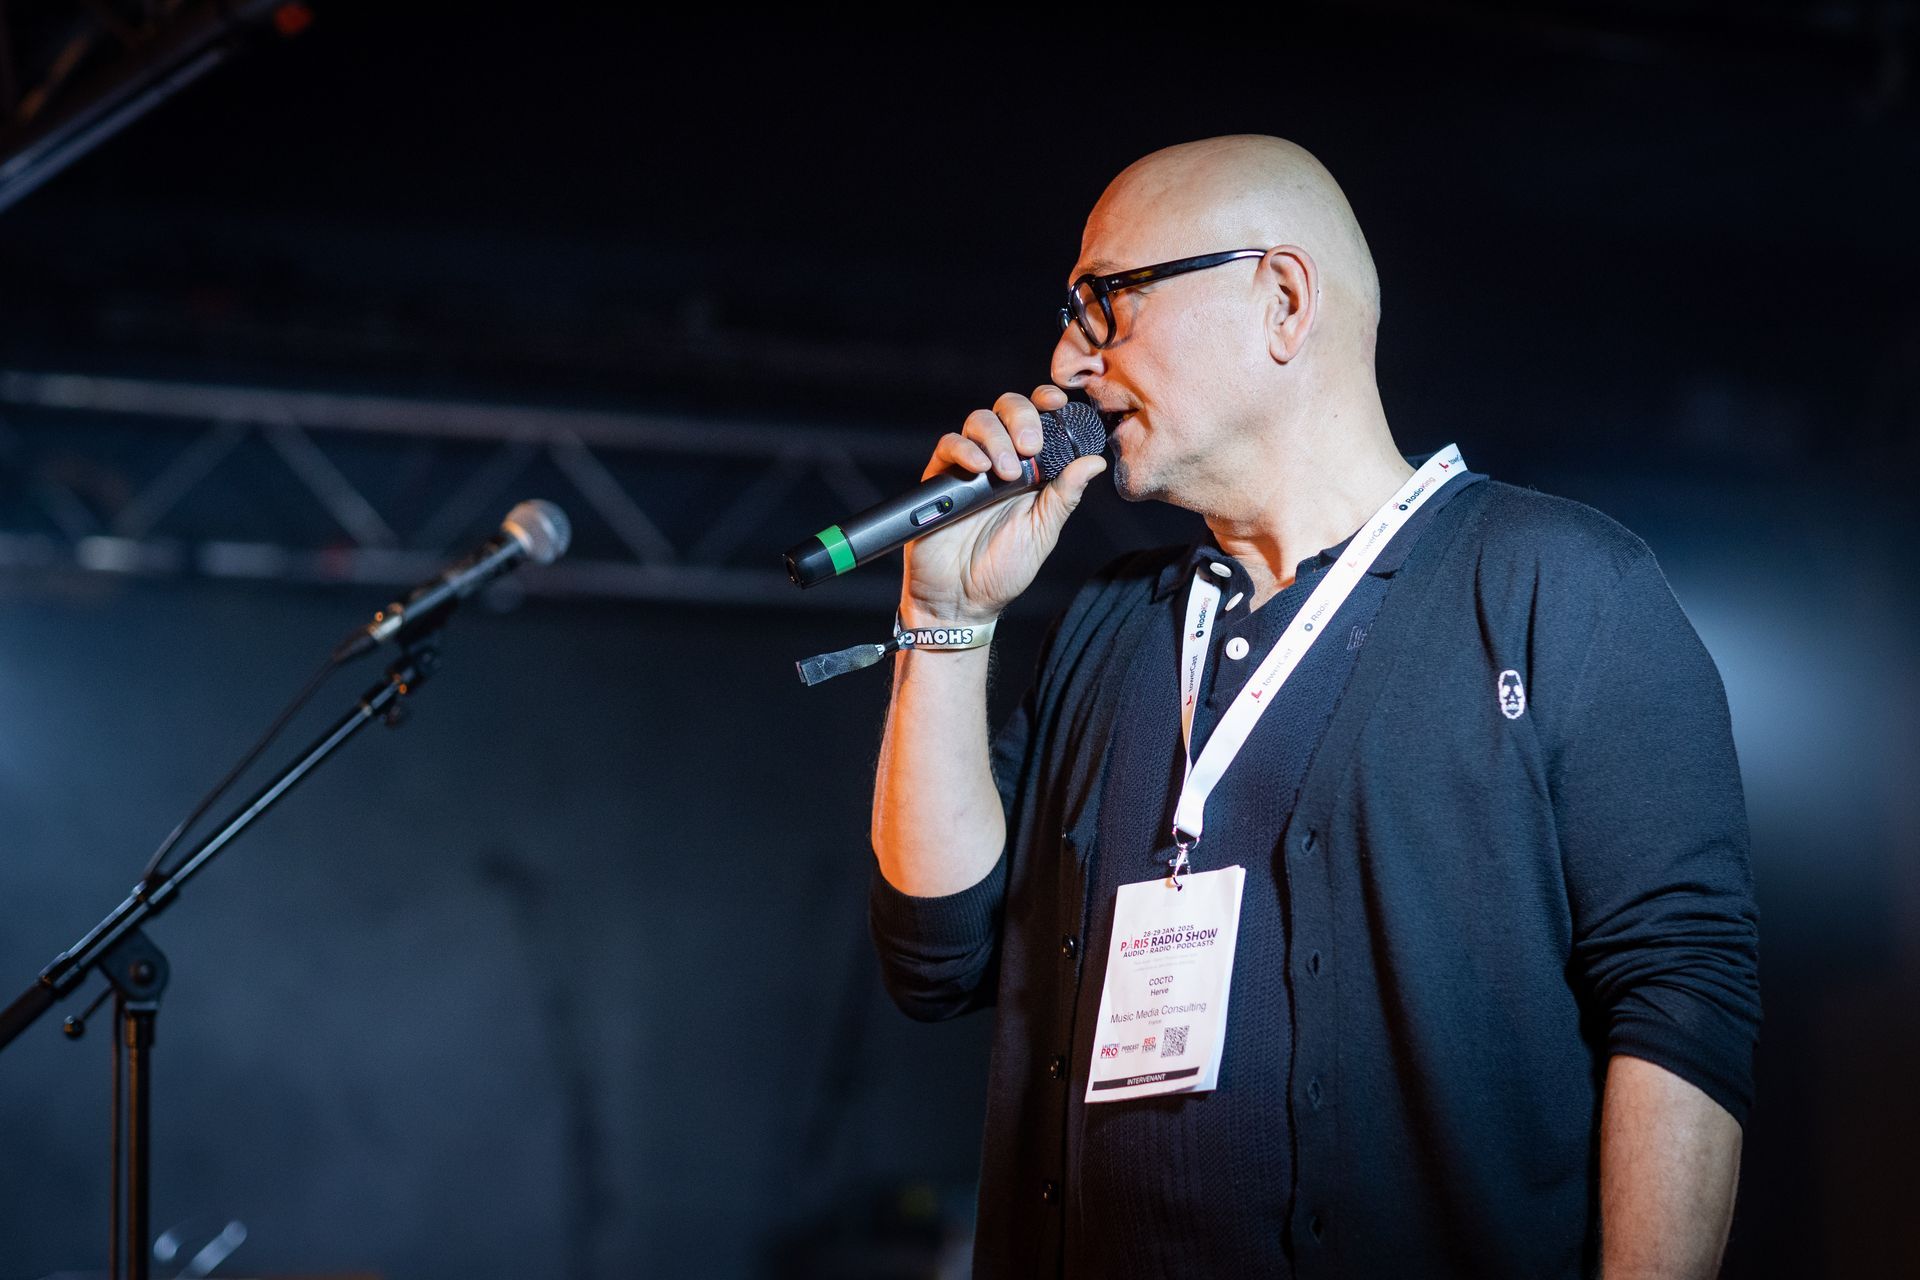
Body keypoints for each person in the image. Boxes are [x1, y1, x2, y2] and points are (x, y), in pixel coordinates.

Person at [866, 135, 1759, 1279]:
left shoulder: (1557, 581)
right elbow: (937, 958)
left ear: (1283, 299)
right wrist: (944, 617)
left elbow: (1680, 990)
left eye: (1106, 304)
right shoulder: (1112, 620)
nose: (1066, 359)